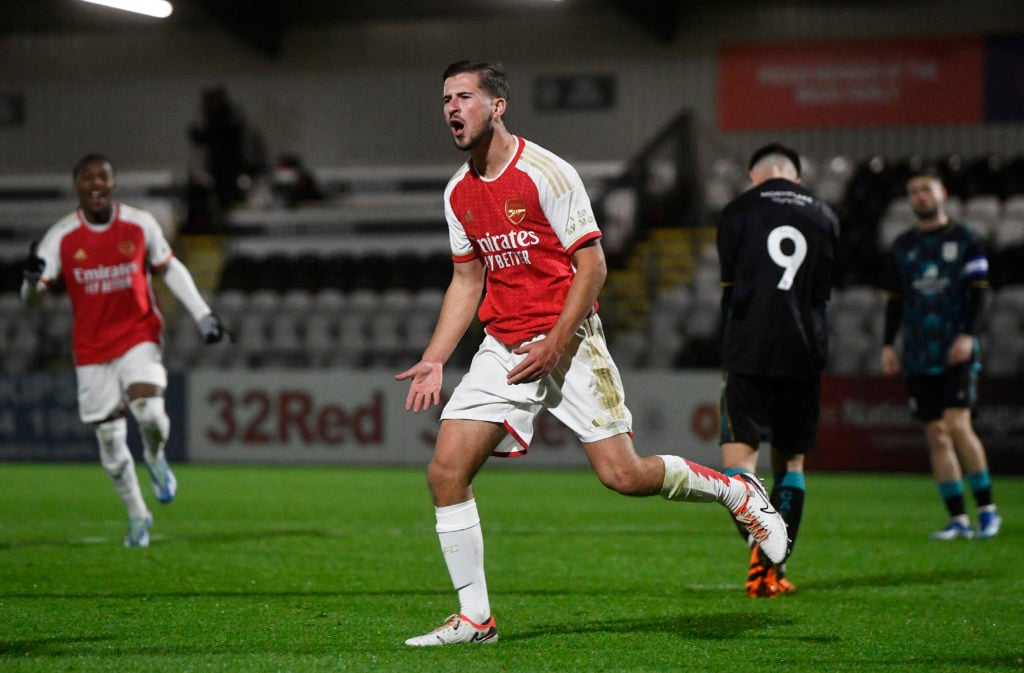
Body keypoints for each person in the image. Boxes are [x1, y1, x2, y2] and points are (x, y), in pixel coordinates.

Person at [394, 61, 788, 647]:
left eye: (466, 96)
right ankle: (476, 620)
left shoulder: (547, 173)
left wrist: (555, 342)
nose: (452, 107)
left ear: (497, 106)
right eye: (446, 98)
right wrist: (435, 356)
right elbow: (467, 282)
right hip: (503, 348)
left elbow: (594, 267)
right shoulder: (459, 193)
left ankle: (736, 490)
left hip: (571, 342)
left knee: (623, 477)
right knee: (445, 473)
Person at [21, 153, 227, 548]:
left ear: (113, 184)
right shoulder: (61, 236)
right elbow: (32, 297)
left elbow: (169, 267)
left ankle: (155, 456)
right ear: (77, 186)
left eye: (103, 176)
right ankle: (138, 515)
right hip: (92, 347)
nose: (95, 183)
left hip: (138, 334)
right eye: (87, 178)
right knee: (111, 440)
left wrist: (203, 316)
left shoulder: (139, 223)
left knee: (149, 411)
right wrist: (31, 282)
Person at [716, 143, 839, 598]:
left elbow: (730, 290)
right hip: (803, 351)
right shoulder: (825, 215)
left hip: (748, 350)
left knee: (738, 467)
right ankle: (773, 564)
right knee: (791, 461)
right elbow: (820, 295)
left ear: (754, 175)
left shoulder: (736, 211)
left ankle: (760, 554)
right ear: (796, 177)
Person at [879, 169, 1001, 541]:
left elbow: (980, 293)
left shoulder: (966, 239)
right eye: (913, 191)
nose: (920, 196)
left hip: (955, 348)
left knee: (957, 424)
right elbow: (895, 302)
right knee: (936, 433)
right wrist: (888, 344)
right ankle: (958, 520)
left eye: (926, 190)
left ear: (942, 193)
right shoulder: (902, 246)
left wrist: (967, 336)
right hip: (918, 352)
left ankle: (987, 511)